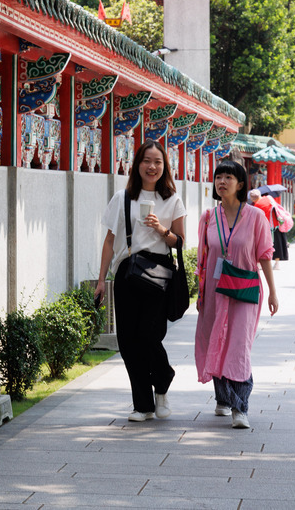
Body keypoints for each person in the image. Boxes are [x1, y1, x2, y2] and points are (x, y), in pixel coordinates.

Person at [95, 139, 186, 422]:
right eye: (147, 161)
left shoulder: (173, 199)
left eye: (158, 162)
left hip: (158, 274)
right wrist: (101, 280)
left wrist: (161, 229)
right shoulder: (122, 198)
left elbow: (180, 242)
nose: (152, 166)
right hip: (127, 272)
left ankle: (163, 381)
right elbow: (109, 241)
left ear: (164, 166)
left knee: (149, 336)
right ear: (137, 165)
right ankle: (143, 405)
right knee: (128, 342)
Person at [195, 161, 278, 429]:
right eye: (218, 177)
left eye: (228, 177)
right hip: (214, 289)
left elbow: (264, 255)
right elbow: (203, 259)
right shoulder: (208, 217)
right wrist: (199, 293)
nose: (222, 181)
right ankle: (223, 397)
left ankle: (240, 407)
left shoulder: (256, 217)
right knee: (215, 340)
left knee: (239, 345)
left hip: (245, 288)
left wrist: (273, 292)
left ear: (240, 184)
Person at [249, 189, 289, 271]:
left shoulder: (257, 205)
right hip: (276, 225)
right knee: (277, 245)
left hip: (265, 228)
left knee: (262, 246)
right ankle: (277, 264)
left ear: (252, 199)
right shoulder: (269, 198)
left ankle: (260, 264)